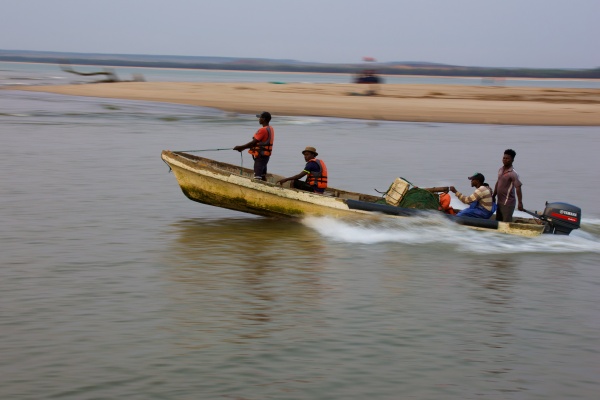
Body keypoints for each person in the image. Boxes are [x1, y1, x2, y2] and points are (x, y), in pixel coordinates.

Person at [233, 111, 274, 181]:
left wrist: (241, 147)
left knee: (257, 177)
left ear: (263, 119)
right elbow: (258, 144)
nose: (259, 119)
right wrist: (243, 148)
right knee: (263, 176)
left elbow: (253, 143)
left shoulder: (263, 130)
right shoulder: (270, 128)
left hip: (260, 157)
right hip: (265, 157)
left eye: (260, 118)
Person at [492, 149, 523, 222]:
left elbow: (518, 187)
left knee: (506, 223)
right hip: (499, 201)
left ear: (512, 160)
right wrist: (494, 195)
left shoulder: (513, 173)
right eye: (504, 158)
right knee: (498, 222)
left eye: (507, 158)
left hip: (508, 203)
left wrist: (520, 203)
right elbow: (498, 182)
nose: (505, 160)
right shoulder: (500, 170)